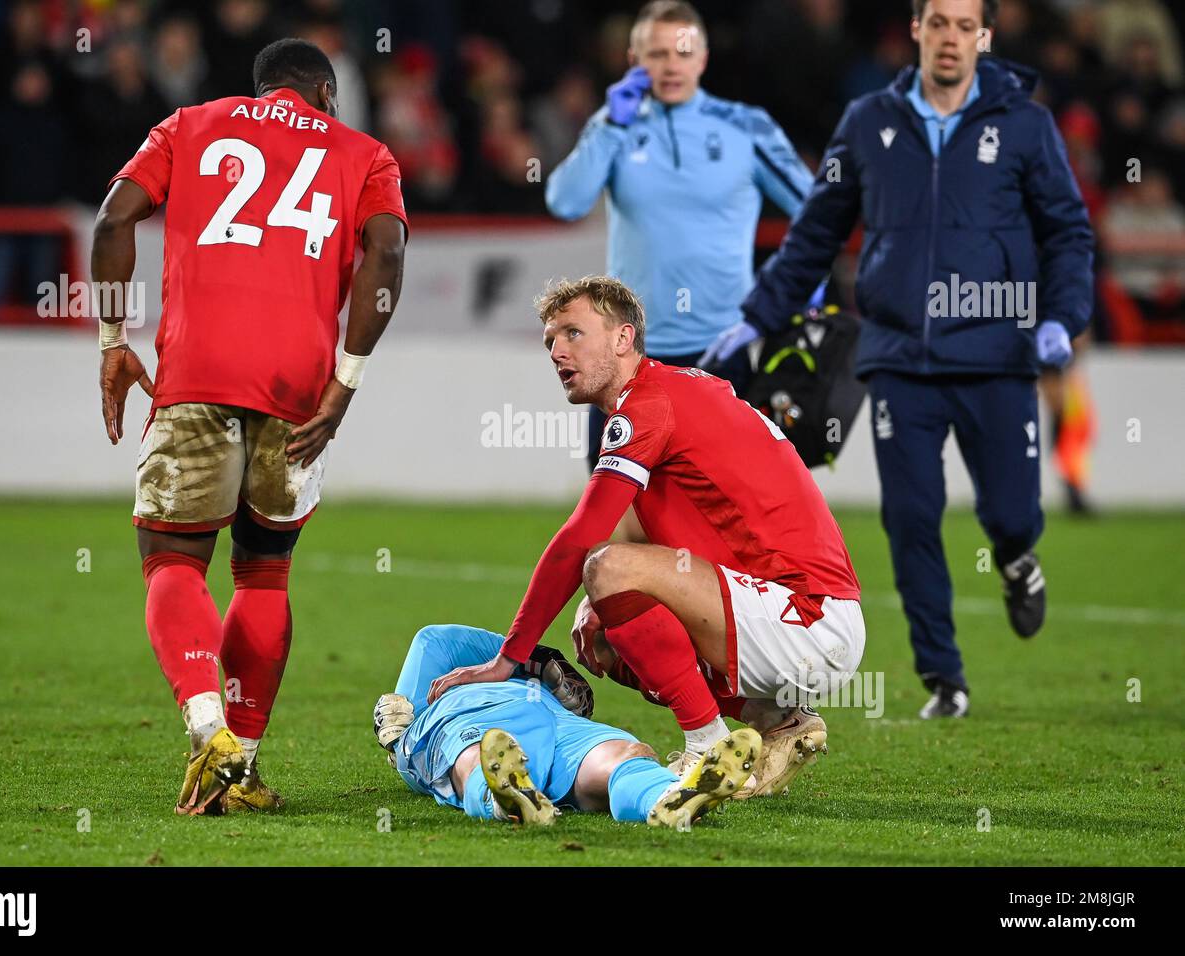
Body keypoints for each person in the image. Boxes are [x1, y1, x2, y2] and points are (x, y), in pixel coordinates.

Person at [728, 0, 1095, 717]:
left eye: (965, 26)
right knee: (912, 514)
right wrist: (756, 317)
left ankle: (1018, 559)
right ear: (917, 30)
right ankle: (944, 679)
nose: (951, 39)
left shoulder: (1025, 124)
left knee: (1012, 513)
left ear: (983, 37)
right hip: (899, 356)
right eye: (939, 24)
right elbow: (816, 233)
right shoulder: (868, 122)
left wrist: (1062, 318)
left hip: (997, 353)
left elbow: (1069, 232)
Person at [92, 38, 408, 814]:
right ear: (327, 96)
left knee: (172, 559)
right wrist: (346, 381)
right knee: (264, 571)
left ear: (262, 88)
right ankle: (246, 758)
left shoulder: (190, 125)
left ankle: (208, 733)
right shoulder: (367, 154)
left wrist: (111, 342)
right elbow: (388, 251)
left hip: (195, 375)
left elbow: (113, 218)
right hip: (299, 391)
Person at [426, 276, 864, 797]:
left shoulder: (648, 405)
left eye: (573, 333)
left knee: (607, 571)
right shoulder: (667, 393)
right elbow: (614, 536)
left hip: (808, 618)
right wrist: (592, 609)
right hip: (780, 617)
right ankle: (775, 720)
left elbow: (581, 540)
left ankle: (707, 747)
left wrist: (510, 656)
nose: (557, 351)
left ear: (622, 338)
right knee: (598, 628)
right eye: (549, 341)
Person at [544, 1, 815, 469]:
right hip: (627, 354)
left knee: (726, 516)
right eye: (656, 53)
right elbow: (564, 203)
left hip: (724, 348)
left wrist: (797, 284)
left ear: (702, 59)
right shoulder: (614, 125)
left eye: (682, 52)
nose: (671, 65)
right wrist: (610, 124)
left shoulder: (745, 127)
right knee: (619, 516)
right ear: (633, 59)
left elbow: (817, 212)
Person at [376, 624, 760, 829]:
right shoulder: (435, 680)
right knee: (478, 757)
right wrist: (400, 746)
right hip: (474, 713)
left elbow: (554, 669)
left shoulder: (514, 669)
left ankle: (667, 800)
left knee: (621, 756)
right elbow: (414, 746)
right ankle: (504, 800)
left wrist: (544, 670)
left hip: (559, 723)